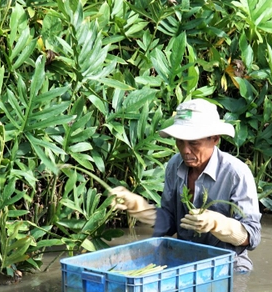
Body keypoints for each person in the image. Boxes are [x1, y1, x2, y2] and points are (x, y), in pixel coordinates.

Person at [109, 99, 261, 271]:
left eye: (193, 142)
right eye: (180, 141)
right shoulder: (175, 165)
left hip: (227, 267)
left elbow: (252, 237)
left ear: (215, 139)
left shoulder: (236, 173)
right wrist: (139, 207)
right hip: (184, 259)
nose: (185, 150)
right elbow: (171, 223)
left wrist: (218, 224)